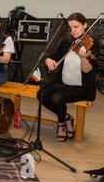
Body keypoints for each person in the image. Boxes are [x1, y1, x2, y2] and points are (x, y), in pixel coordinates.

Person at [38, 12, 98, 142]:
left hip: (82, 87)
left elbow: (88, 70)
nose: (73, 31)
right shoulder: (67, 42)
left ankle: (61, 124)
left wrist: (83, 58)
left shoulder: (92, 44)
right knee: (41, 94)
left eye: (76, 27)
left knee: (57, 98)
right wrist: (49, 61)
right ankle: (67, 118)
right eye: (70, 28)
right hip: (64, 82)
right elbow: (50, 56)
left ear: (85, 25)